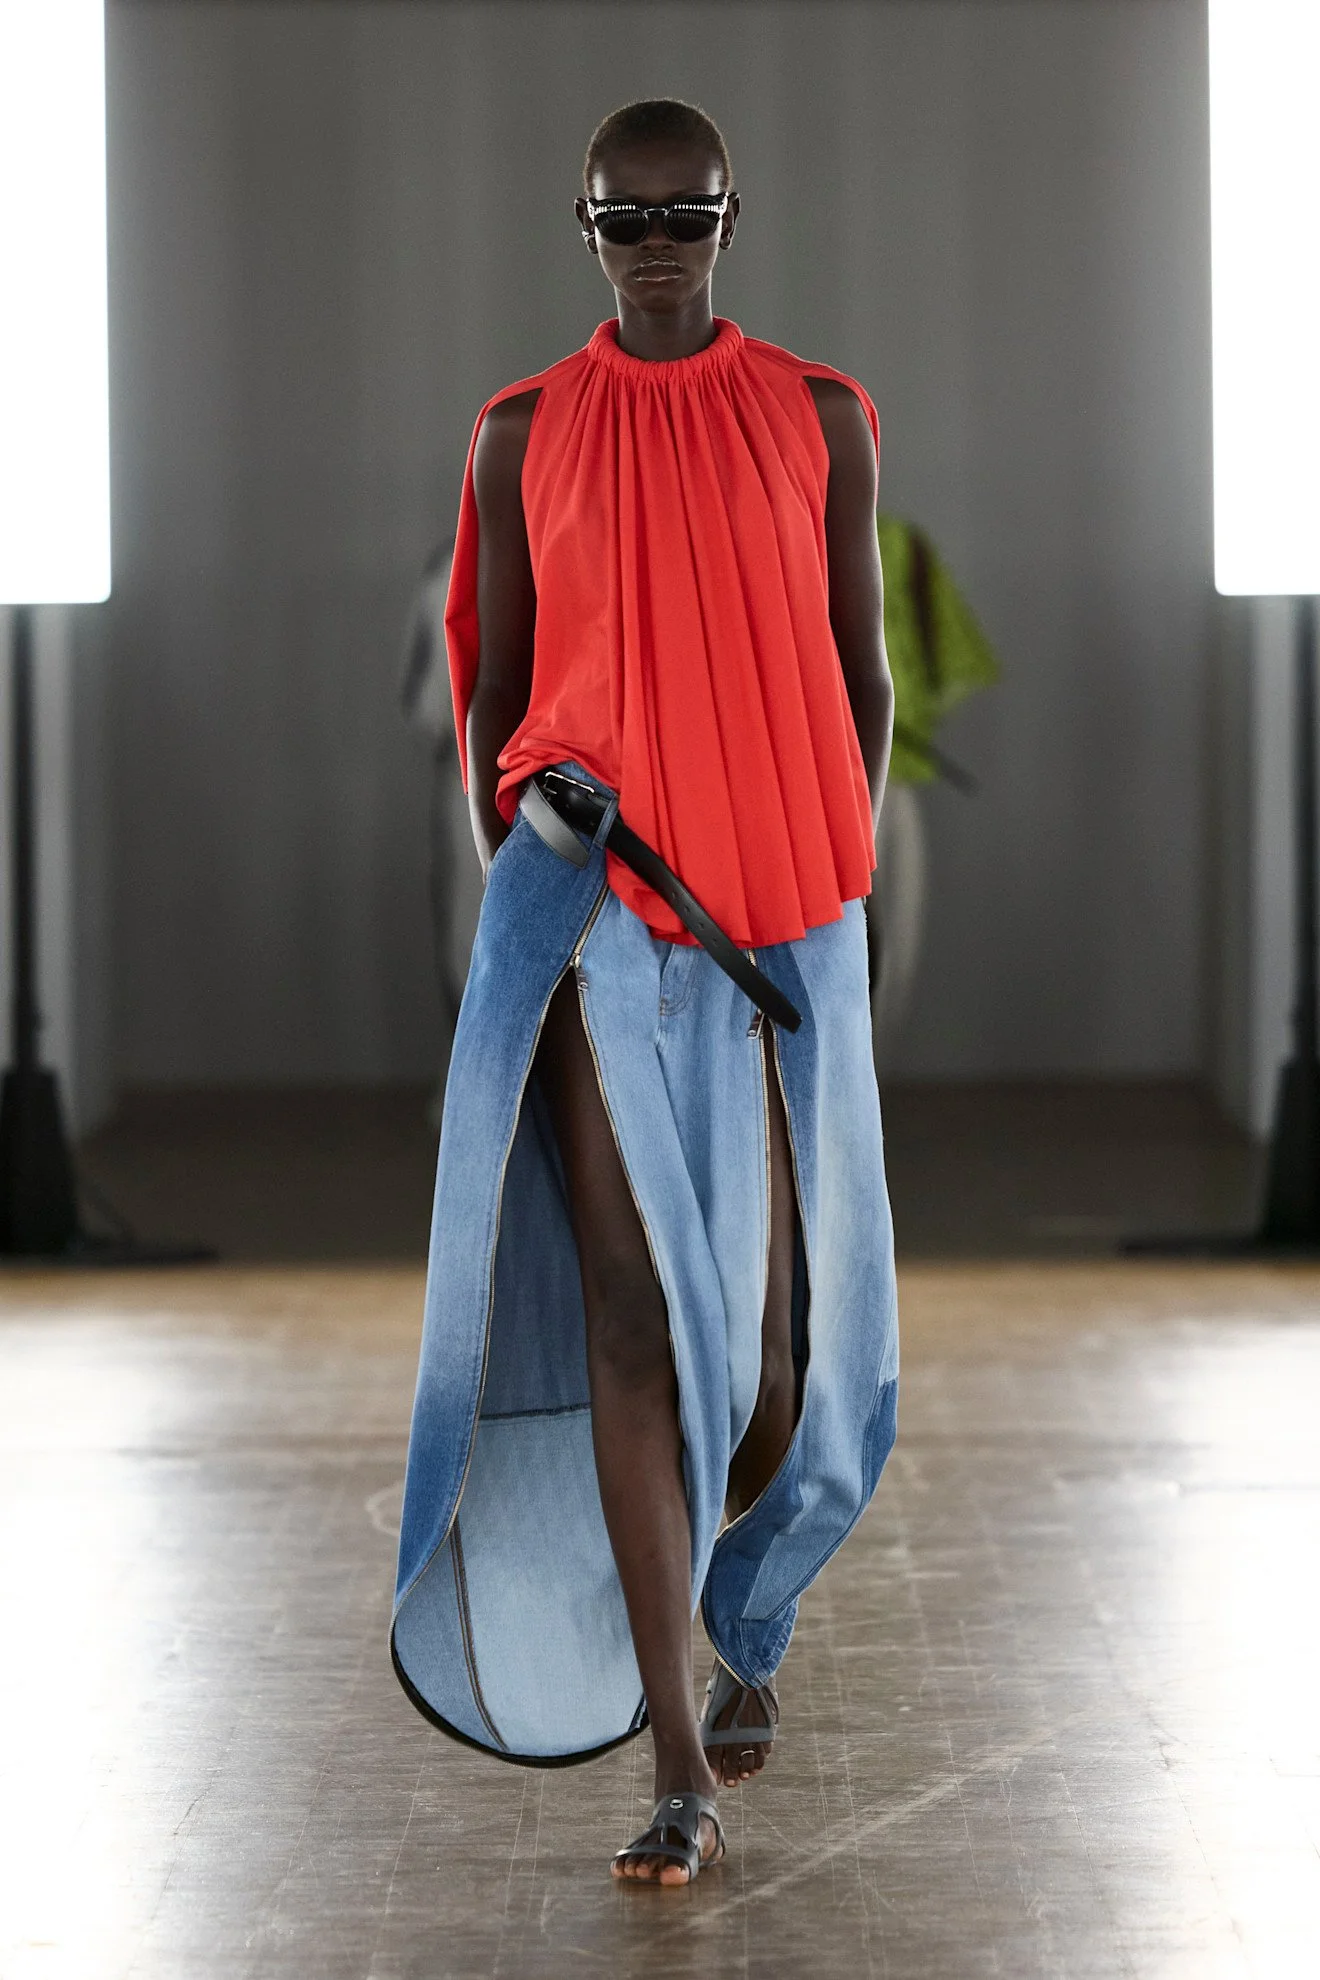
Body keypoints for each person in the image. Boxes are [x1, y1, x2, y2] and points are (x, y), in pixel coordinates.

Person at [392, 97, 899, 1887]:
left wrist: (833, 887)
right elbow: (493, 700)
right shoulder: (518, 436)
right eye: (631, 219)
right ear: (586, 227)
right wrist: (525, 933)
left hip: (779, 931)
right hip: (602, 930)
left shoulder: (821, 419)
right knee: (628, 1321)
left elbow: (865, 680)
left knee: (770, 1367)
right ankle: (674, 1755)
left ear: (733, 219)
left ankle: (743, 1612)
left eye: (690, 215)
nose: (662, 242)